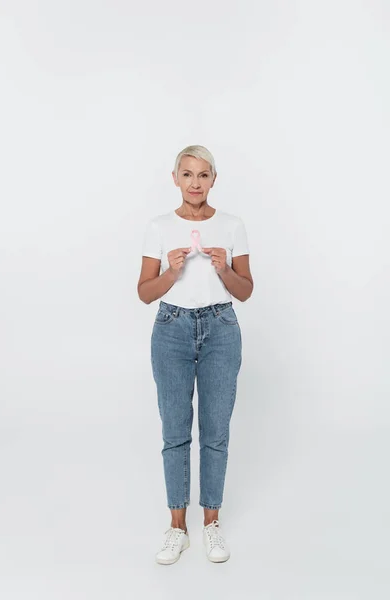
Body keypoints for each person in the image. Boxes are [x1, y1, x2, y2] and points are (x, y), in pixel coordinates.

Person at [137, 145, 253, 565]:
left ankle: (212, 524)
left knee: (216, 430)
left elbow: (246, 290)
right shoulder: (159, 226)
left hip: (221, 329)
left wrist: (225, 270)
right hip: (172, 330)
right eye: (187, 175)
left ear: (214, 179)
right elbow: (144, 292)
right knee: (175, 431)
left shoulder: (232, 225)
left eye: (203, 175)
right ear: (175, 179)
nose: (195, 183)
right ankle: (177, 529)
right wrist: (171, 272)